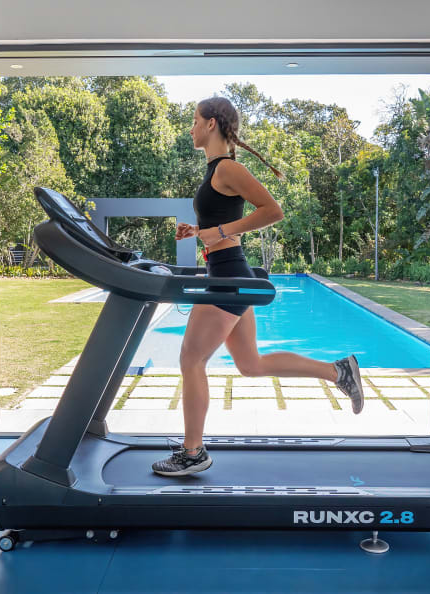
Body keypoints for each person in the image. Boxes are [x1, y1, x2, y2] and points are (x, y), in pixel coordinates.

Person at [152, 97, 364, 477]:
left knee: (191, 360)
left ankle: (192, 452)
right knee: (251, 364)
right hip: (230, 270)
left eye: (195, 121)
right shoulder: (216, 170)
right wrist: (200, 232)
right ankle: (339, 372)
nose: (191, 128)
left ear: (211, 124)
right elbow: (223, 225)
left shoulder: (227, 168)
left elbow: (272, 211)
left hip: (229, 275)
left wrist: (217, 231)